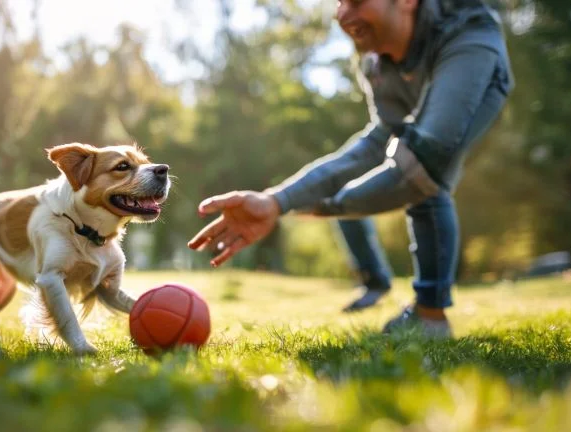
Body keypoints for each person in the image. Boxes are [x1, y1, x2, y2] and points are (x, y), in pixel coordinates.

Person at [187, 0, 514, 338]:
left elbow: (418, 165)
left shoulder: (469, 34)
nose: (341, 14)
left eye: (356, 1)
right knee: (413, 163)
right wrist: (276, 200)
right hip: (423, 132)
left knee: (423, 175)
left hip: (485, 104)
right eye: (340, 2)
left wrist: (314, 208)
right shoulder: (374, 61)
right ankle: (396, 294)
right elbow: (376, 143)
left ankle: (430, 316)